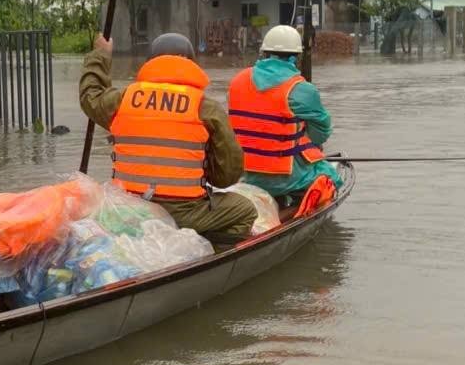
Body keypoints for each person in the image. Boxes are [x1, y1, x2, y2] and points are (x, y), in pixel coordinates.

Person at [79, 31, 256, 249]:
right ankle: (209, 253)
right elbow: (228, 174)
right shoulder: (205, 107)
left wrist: (101, 54)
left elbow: (90, 95)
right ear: (191, 62)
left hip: (129, 208)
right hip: (183, 214)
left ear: (151, 61)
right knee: (245, 210)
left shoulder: (123, 99)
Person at [228, 24, 341, 201]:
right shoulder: (302, 89)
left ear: (263, 52)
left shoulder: (237, 81)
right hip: (284, 178)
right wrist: (310, 146)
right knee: (333, 178)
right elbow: (321, 133)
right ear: (296, 56)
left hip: (243, 173)